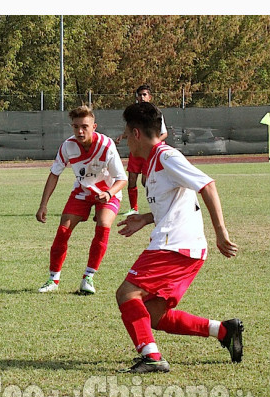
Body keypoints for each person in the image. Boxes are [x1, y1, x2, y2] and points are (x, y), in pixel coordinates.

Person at [116, 102, 242, 373]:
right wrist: (146, 218)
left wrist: (221, 233)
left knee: (127, 293)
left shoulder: (166, 157)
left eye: (126, 133)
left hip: (175, 246)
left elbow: (207, 185)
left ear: (137, 133)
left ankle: (151, 357)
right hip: (183, 247)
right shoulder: (154, 162)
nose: (125, 139)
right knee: (154, 315)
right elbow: (175, 203)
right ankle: (223, 331)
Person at [36, 105, 127, 295]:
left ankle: (88, 278)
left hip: (108, 192)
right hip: (82, 191)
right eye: (76, 126)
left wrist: (108, 194)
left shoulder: (106, 145)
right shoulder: (68, 146)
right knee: (63, 230)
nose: (80, 131)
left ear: (94, 126)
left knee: (103, 224)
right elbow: (54, 174)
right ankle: (53, 279)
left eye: (84, 126)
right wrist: (43, 204)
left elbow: (122, 179)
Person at [116, 84, 168, 216]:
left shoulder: (155, 113)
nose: (142, 97)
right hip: (136, 151)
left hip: (148, 152)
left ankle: (157, 204)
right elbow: (130, 131)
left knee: (146, 181)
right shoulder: (133, 113)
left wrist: (153, 145)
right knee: (131, 179)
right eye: (140, 95)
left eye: (144, 94)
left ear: (150, 97)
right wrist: (123, 136)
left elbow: (164, 133)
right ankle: (134, 209)